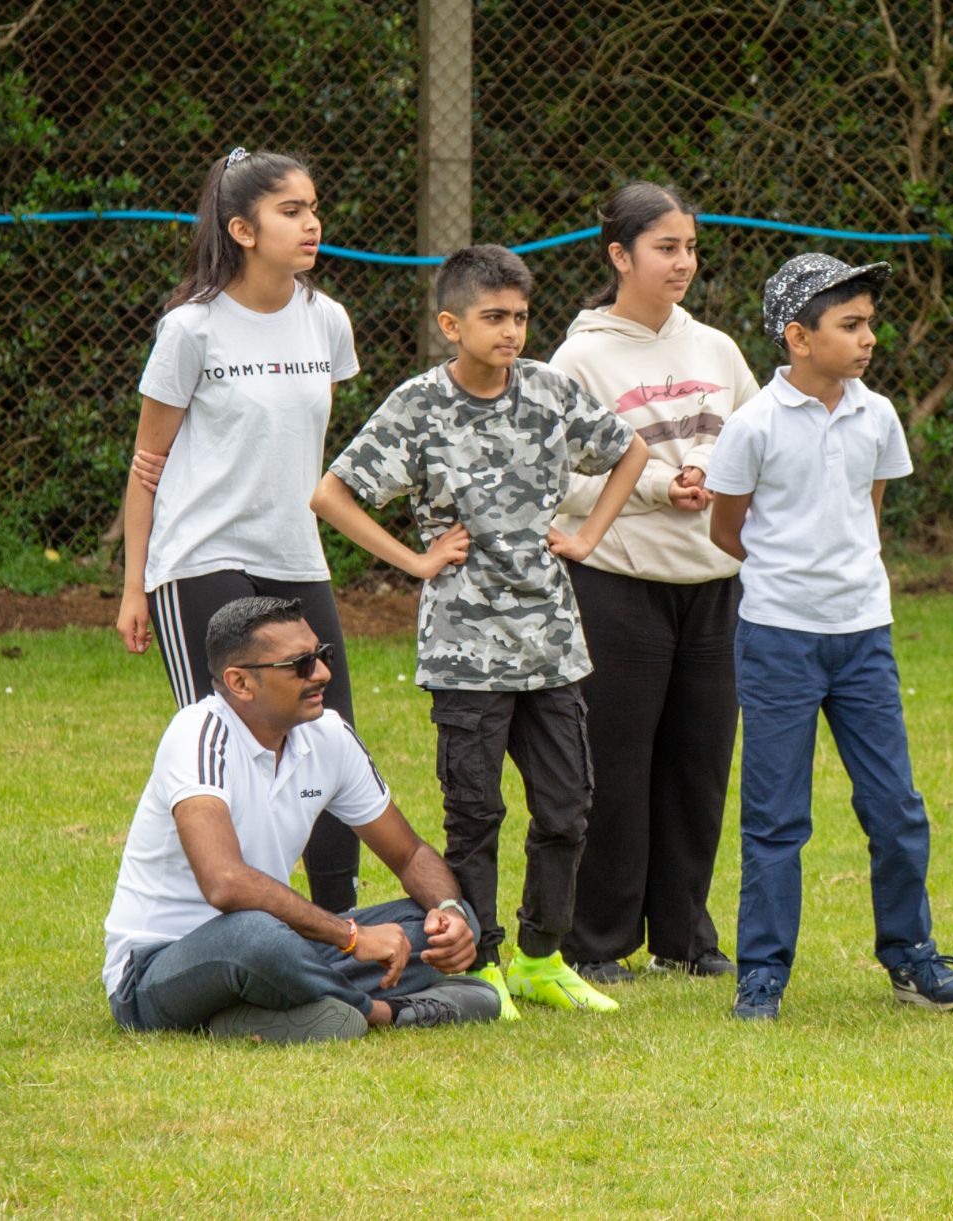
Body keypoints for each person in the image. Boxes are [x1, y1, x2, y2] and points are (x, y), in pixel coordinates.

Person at [312, 243, 649, 1018]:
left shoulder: (551, 393)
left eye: (522, 317)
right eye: (494, 318)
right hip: (464, 654)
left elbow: (629, 450)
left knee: (566, 807)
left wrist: (589, 537)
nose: (512, 332)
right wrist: (416, 559)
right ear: (451, 323)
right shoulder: (419, 405)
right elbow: (332, 494)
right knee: (475, 812)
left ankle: (540, 955)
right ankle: (483, 960)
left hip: (552, 645)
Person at [705, 252, 953, 1021]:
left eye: (870, 324)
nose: (868, 338)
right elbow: (731, 530)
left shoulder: (879, 415)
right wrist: (791, 582)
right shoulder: (751, 425)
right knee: (776, 818)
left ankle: (910, 956)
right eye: (849, 324)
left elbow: (869, 508)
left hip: (864, 639)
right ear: (798, 336)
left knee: (896, 806)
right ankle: (761, 975)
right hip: (777, 644)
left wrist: (844, 583)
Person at [113, 146, 365, 916]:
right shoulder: (190, 330)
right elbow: (147, 464)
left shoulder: (327, 321)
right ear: (242, 228)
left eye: (314, 207)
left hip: (296, 555)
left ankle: (337, 919)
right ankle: (235, 923)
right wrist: (135, 587)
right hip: (197, 561)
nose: (311, 223)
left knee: (329, 734)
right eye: (291, 210)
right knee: (229, 741)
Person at [103, 596, 501, 1041]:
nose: (324, 673)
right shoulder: (197, 733)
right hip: (156, 968)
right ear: (240, 682)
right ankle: (387, 1013)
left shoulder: (328, 734)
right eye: (300, 664)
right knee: (254, 936)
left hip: (279, 946)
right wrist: (350, 937)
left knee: (441, 914)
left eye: (322, 655)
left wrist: (448, 916)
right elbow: (225, 883)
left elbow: (409, 855)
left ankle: (255, 1012)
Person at [547, 182, 760, 986]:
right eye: (666, 247)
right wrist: (655, 486)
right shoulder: (579, 357)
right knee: (618, 762)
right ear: (618, 255)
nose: (683, 262)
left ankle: (686, 934)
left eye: (691, 248)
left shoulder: (715, 348)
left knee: (700, 763)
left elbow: (757, 436)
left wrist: (718, 474)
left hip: (714, 585)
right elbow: (558, 475)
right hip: (620, 584)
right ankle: (596, 941)